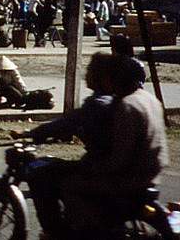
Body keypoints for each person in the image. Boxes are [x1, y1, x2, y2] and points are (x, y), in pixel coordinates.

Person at [61, 54, 169, 237]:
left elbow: (119, 157)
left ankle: (90, 231)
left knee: (69, 185)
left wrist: (97, 168)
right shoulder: (150, 99)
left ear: (117, 79)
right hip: (152, 173)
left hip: (130, 178)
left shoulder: (126, 105)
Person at [11, 53, 117, 239]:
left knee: (40, 173)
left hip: (98, 166)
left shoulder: (97, 104)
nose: (86, 75)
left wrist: (32, 133)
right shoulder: (113, 99)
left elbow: (65, 124)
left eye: (90, 71)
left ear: (101, 76)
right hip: (111, 164)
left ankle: (54, 232)